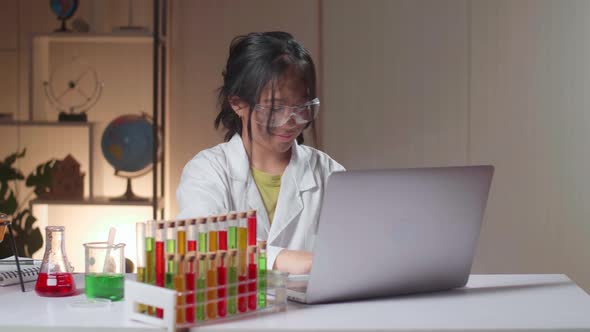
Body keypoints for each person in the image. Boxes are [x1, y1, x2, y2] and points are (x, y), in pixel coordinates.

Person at [176, 31, 344, 274]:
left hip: (314, 310)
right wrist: (281, 259)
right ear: (237, 103)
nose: (291, 121)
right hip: (236, 309)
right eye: (275, 108)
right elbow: (200, 247)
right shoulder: (207, 171)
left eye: (301, 107)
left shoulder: (328, 173)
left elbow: (354, 248)